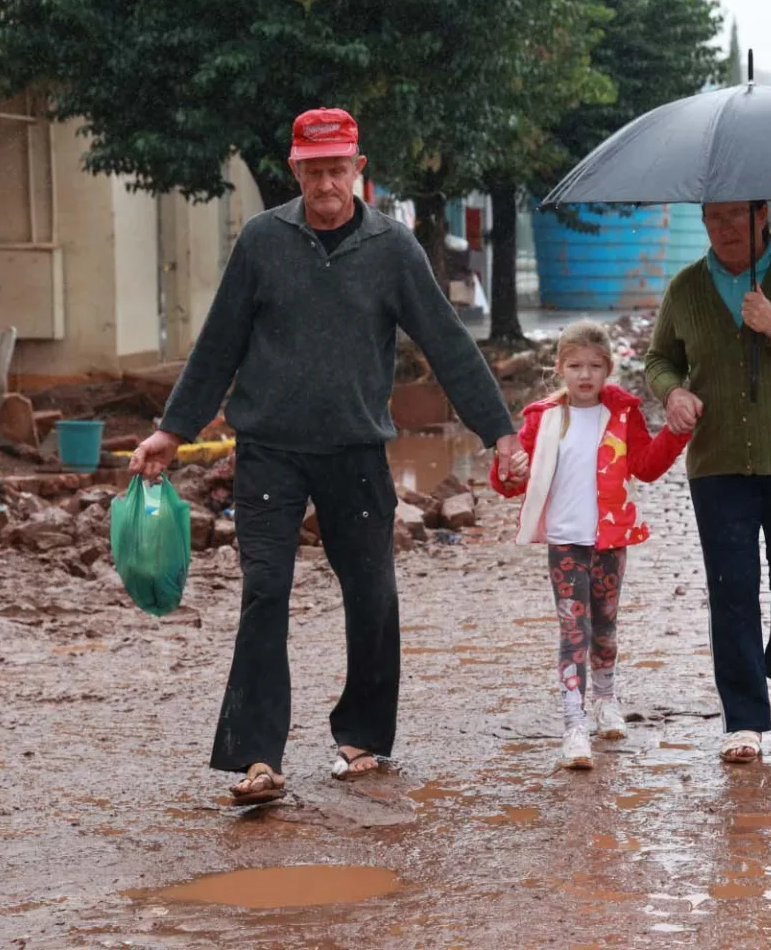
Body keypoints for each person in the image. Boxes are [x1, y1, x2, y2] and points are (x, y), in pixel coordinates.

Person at [130, 107, 522, 804]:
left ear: (358, 170)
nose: (326, 183)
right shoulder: (262, 241)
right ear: (296, 170)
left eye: (338, 168)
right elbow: (219, 341)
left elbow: (448, 344)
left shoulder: (392, 249)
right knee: (266, 591)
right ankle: (258, 758)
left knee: (371, 592)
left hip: (355, 451)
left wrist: (501, 432)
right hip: (270, 451)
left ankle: (363, 734)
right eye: (314, 170)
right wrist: (174, 428)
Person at [644, 201, 771, 765]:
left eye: (737, 215)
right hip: (718, 463)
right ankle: (743, 719)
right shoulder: (687, 288)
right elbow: (658, 358)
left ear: (763, 214)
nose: (725, 227)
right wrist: (672, 392)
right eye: (714, 217)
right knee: (731, 590)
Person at [490, 321, 689, 770]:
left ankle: (605, 698)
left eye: (595, 367)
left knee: (605, 626)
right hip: (564, 542)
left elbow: (646, 465)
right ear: (559, 368)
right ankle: (574, 723)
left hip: (609, 542)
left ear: (608, 369)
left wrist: (676, 433)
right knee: (572, 632)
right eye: (575, 366)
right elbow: (509, 480)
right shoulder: (543, 419)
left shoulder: (622, 415)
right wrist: (509, 470)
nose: (585, 375)